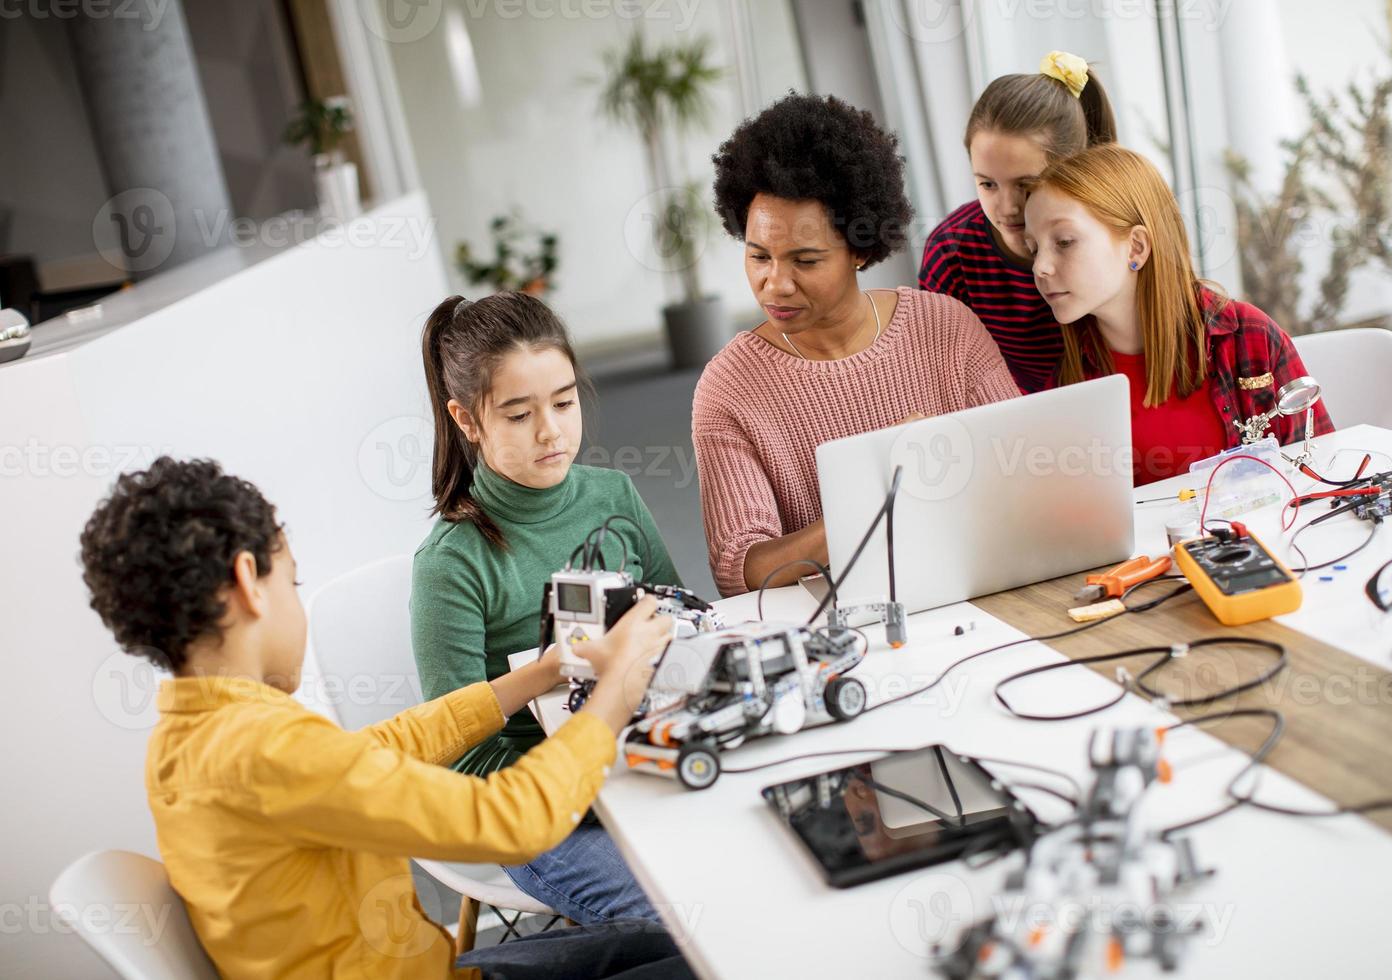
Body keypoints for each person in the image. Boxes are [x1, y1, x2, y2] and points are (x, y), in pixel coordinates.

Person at [77, 456, 692, 979]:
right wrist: (617, 687)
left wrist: (540, 673)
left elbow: (374, 749)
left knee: (666, 936)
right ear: (248, 582)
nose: (297, 602)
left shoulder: (191, 739)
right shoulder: (265, 747)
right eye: (293, 582)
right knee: (706, 948)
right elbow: (514, 821)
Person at [412, 291, 679, 923]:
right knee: (672, 919)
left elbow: (676, 624)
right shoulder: (451, 563)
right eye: (518, 414)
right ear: (467, 420)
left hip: (641, 760)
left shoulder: (614, 492)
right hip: (534, 810)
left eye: (563, 401)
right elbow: (462, 758)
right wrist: (597, 780)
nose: (551, 430)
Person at [695, 92, 1021, 597]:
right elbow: (741, 568)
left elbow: (1024, 467)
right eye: (759, 256)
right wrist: (872, 505)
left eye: (804, 261)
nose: (775, 284)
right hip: (849, 623)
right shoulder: (729, 387)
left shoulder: (945, 328)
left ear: (861, 252)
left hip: (982, 580)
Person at [1023, 143, 1333, 484]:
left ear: (1136, 247)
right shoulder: (1067, 382)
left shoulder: (1251, 339)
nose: (1040, 267)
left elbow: (1320, 473)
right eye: (1033, 248)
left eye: (1064, 241)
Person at [920, 51, 1118, 393]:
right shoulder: (950, 252)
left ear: (1075, 168)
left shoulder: (1114, 234)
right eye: (987, 184)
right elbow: (937, 371)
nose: (1007, 207)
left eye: (1025, 186)